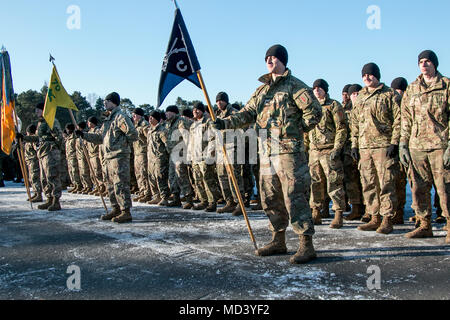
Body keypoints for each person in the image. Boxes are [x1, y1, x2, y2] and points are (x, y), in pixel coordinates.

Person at [213, 44, 322, 264]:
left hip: (289, 153)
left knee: (294, 196)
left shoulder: (295, 87)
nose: (269, 60)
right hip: (266, 153)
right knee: (270, 197)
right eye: (267, 57)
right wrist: (224, 123)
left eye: (274, 57)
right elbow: (247, 113)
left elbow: (314, 112)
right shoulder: (262, 91)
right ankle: (278, 240)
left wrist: (294, 131)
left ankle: (306, 244)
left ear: (283, 60)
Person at [399, 50, 450, 243]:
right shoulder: (412, 89)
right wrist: (403, 143)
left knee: (445, 188)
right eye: (421, 61)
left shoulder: (446, 86)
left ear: (434, 64)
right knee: (419, 188)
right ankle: (424, 224)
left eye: (427, 61)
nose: (424, 64)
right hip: (416, 146)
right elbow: (406, 118)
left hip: (439, 145)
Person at [351, 63, 401, 235]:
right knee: (369, 183)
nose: (367, 77)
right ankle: (374, 217)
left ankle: (387, 219)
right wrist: (354, 144)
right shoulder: (361, 97)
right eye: (364, 75)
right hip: (365, 148)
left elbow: (399, 120)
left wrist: (394, 143)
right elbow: (355, 123)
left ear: (377, 75)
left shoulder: (390, 94)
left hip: (383, 146)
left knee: (386, 183)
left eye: (370, 74)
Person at [77, 92, 138, 223]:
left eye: (107, 101)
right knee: (110, 184)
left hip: (118, 156)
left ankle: (125, 211)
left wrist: (120, 144)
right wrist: (84, 135)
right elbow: (100, 138)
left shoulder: (120, 117)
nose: (105, 103)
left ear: (114, 102)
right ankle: (115, 208)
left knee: (120, 184)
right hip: (108, 157)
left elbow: (133, 134)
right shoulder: (108, 120)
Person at [308, 79, 347, 229]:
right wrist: (306, 149)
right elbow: (307, 130)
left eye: (320, 88)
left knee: (334, 183)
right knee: (315, 183)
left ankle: (338, 213)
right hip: (314, 151)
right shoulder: (310, 107)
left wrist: (337, 148)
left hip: (329, 150)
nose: (317, 90)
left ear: (325, 90)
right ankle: (316, 211)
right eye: (315, 88)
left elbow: (341, 128)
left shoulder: (333, 105)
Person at [18, 102, 63, 211]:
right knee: (44, 178)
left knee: (52, 177)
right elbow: (38, 138)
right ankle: (49, 199)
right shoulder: (41, 123)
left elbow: (59, 137)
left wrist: (55, 148)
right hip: (42, 153)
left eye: (38, 110)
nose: (36, 112)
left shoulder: (51, 120)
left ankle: (56, 201)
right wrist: (23, 138)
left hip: (50, 153)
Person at [214, 92, 246, 216]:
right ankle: (229, 202)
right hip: (220, 149)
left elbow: (242, 129)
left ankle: (240, 203)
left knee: (234, 176)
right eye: (217, 101)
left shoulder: (233, 113)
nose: (219, 103)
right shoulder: (216, 115)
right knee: (222, 176)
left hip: (233, 147)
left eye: (221, 100)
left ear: (226, 101)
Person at [188, 102, 220, 212]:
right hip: (195, 157)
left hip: (205, 157)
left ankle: (212, 202)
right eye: (193, 110)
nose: (195, 111)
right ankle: (203, 200)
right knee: (198, 180)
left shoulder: (208, 122)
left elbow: (213, 139)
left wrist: (210, 154)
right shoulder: (193, 125)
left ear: (202, 111)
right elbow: (191, 142)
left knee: (208, 180)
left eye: (197, 109)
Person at [342, 84, 365, 221]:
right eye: (353, 94)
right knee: (351, 181)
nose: (355, 96)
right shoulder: (345, 111)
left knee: (367, 180)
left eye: (358, 93)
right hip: (349, 150)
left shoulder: (365, 108)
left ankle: (369, 210)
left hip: (366, 147)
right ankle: (356, 208)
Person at [164, 105, 195, 209]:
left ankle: (189, 199)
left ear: (174, 113)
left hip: (180, 154)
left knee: (182, 177)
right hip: (172, 154)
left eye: (168, 112)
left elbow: (186, 137)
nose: (166, 114)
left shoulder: (180, 122)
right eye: (166, 112)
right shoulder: (169, 124)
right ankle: (176, 198)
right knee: (172, 177)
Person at [390, 77, 409, 225]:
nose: (398, 93)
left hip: (410, 147)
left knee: (405, 182)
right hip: (394, 146)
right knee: (394, 181)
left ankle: (401, 211)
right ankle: (395, 212)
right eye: (395, 91)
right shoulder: (393, 103)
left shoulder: (408, 103)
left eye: (400, 90)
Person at [145, 110, 171, 206]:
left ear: (157, 119)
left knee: (161, 178)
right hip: (150, 158)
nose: (150, 119)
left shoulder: (162, 131)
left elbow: (167, 145)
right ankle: (156, 196)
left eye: (152, 117)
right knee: (151, 178)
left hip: (160, 158)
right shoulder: (150, 131)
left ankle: (164, 197)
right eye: (149, 117)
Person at [131, 108, 152, 203]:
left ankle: (147, 193)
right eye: (133, 115)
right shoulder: (134, 126)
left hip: (143, 152)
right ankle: (142, 192)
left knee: (144, 173)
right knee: (138, 173)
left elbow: (149, 138)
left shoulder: (144, 125)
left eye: (135, 115)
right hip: (137, 152)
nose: (133, 117)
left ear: (140, 115)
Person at [86, 116, 105, 196]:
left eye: (89, 122)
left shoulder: (97, 131)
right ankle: (97, 187)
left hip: (96, 154)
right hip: (91, 155)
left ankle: (102, 187)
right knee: (92, 173)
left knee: (98, 172)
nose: (88, 123)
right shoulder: (89, 132)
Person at [24, 124, 42, 202]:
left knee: (35, 178)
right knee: (31, 178)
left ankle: (38, 194)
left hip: (34, 161)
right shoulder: (29, 140)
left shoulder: (33, 140)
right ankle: (35, 192)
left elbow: (37, 149)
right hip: (29, 162)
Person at [64, 124, 82, 193]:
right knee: (71, 172)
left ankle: (79, 185)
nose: (67, 131)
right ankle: (75, 185)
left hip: (74, 156)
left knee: (75, 171)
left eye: (68, 129)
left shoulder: (75, 136)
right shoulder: (68, 138)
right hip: (69, 157)